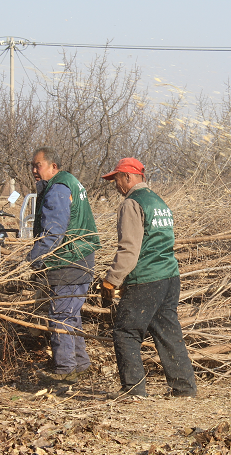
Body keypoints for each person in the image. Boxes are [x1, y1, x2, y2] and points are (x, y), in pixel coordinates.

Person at [100, 157, 198, 399]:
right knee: (168, 331)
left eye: (117, 179)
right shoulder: (158, 201)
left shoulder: (132, 203)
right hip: (169, 277)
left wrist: (111, 280)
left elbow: (129, 250)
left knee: (125, 331)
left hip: (146, 278)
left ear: (129, 177)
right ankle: (184, 388)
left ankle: (133, 391)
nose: (115, 185)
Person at [27, 147, 101, 384]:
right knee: (71, 315)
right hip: (80, 259)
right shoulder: (71, 183)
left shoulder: (58, 189)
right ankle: (80, 365)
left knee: (60, 317)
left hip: (67, 261)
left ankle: (66, 370)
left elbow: (53, 234)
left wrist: (31, 261)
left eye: (38, 165)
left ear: (53, 166)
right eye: (32, 166)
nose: (34, 170)